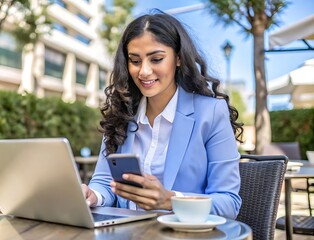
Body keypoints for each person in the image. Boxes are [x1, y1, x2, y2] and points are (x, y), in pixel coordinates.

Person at [81, 11, 244, 220]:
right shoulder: (121, 115)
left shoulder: (210, 113)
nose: (144, 72)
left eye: (156, 59)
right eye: (135, 61)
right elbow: (105, 182)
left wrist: (170, 200)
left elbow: (229, 202)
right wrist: (92, 195)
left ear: (178, 58)